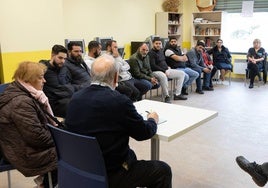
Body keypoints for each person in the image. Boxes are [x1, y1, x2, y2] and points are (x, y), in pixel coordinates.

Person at [65, 54, 172, 188]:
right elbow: (143, 133)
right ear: (116, 77)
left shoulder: (75, 98)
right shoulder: (119, 101)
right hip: (112, 172)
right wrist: (152, 119)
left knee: (130, 154)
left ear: (91, 75)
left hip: (82, 167)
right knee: (163, 170)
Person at [0, 61, 57, 188]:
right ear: (28, 79)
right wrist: (60, 140)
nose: (45, 81)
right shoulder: (21, 102)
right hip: (22, 152)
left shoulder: (18, 89)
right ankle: (45, 184)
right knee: (68, 152)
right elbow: (37, 137)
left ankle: (45, 182)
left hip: (17, 145)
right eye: (40, 77)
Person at [148, 37, 187, 103]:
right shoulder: (151, 53)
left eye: (159, 43)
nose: (158, 45)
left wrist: (167, 66)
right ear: (153, 44)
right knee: (163, 76)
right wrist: (164, 70)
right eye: (156, 43)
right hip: (155, 72)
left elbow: (163, 61)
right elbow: (153, 66)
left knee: (182, 73)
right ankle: (166, 96)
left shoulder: (161, 51)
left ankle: (177, 94)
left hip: (165, 70)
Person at [40, 44, 75, 118]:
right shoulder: (43, 70)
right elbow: (57, 91)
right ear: (52, 55)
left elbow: (70, 84)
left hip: (66, 99)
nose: (63, 61)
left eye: (65, 59)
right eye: (60, 58)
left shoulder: (63, 68)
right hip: (54, 104)